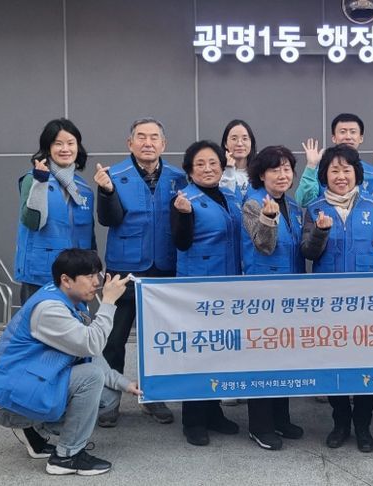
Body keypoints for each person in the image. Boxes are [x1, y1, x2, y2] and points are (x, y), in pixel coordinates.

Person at [0, 249, 136, 476]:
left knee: (109, 396)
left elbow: (88, 353)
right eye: (89, 276)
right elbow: (92, 344)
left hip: (26, 384)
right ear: (66, 280)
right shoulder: (50, 310)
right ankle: (66, 456)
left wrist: (125, 383)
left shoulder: (68, 298)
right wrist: (109, 302)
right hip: (7, 402)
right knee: (91, 377)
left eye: (98, 274)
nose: (97, 282)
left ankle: (34, 432)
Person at [301, 144, 373, 453]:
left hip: (366, 304)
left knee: (365, 364)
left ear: (357, 173)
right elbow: (308, 252)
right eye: (334, 170)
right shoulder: (315, 208)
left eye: (346, 170)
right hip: (329, 305)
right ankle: (341, 422)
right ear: (324, 175)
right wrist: (320, 232)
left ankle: (363, 425)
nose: (341, 176)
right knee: (335, 364)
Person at [94, 117, 187, 426]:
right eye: (141, 137)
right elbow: (109, 219)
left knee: (158, 340)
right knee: (114, 339)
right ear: (130, 143)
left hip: (164, 269)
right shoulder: (113, 175)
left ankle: (154, 397)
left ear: (164, 144)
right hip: (124, 270)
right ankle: (109, 402)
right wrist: (107, 192)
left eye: (154, 137)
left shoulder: (178, 178)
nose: (148, 143)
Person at [170, 140, 241, 446]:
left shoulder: (230, 197)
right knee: (198, 354)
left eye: (213, 163)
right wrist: (184, 215)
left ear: (222, 167)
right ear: (189, 170)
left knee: (219, 353)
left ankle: (213, 412)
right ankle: (194, 420)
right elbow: (181, 242)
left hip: (228, 286)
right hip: (198, 289)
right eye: (200, 164)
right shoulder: (184, 199)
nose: (208, 168)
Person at [241, 145, 305, 450]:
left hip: (291, 295)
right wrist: (268, 219)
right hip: (263, 296)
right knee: (262, 359)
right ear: (261, 174)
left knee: (284, 357)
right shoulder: (253, 204)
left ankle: (281, 418)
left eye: (287, 169)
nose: (282, 175)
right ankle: (260, 425)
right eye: (275, 169)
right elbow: (263, 246)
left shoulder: (293, 206)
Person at [14, 119, 95, 305]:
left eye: (70, 143)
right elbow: (32, 222)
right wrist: (40, 183)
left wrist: (92, 270)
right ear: (48, 148)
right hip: (41, 274)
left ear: (78, 147)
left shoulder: (83, 188)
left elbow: (89, 236)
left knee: (76, 323)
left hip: (76, 276)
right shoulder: (33, 179)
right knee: (39, 322)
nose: (65, 149)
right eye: (58, 144)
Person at [295, 113, 373, 207]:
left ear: (361, 138)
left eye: (353, 132)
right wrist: (311, 165)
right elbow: (303, 201)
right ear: (334, 138)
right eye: (342, 132)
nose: (348, 137)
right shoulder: (320, 171)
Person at [220, 119, 257, 197]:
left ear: (251, 143)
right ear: (225, 143)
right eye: (234, 139)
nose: (240, 144)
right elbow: (225, 197)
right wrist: (229, 170)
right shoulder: (218, 172)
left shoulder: (259, 172)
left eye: (245, 139)